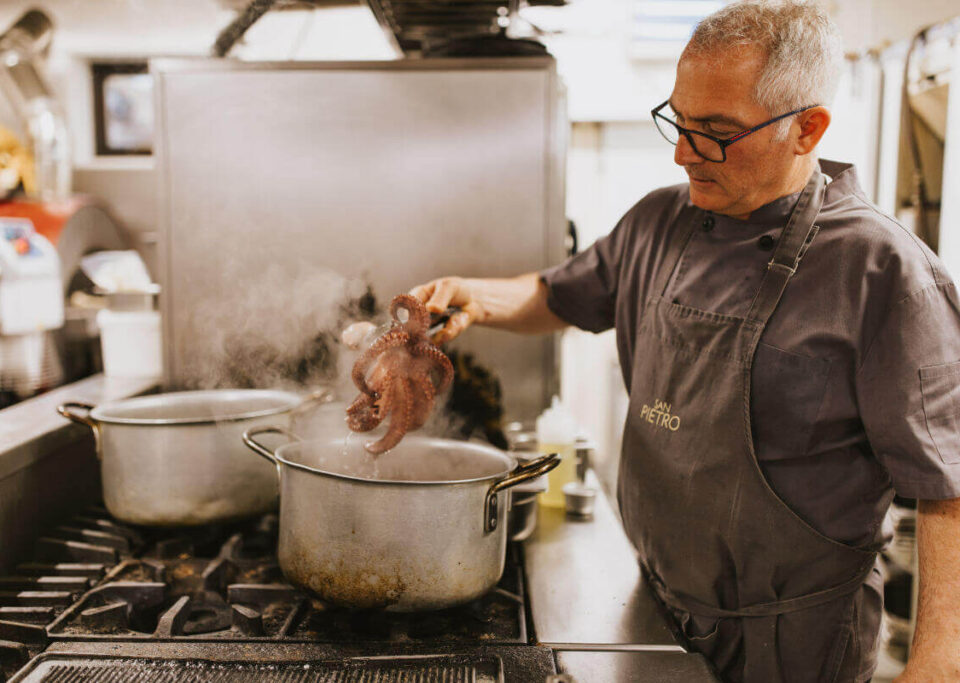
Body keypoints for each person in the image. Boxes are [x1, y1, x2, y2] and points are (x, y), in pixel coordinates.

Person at [409, 2, 960, 681]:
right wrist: (472, 294)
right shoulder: (661, 220)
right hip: (653, 603)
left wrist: (938, 660)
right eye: (677, 120)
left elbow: (948, 484)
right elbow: (559, 294)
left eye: (714, 133)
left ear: (806, 128)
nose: (680, 152)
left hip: (792, 645)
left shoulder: (883, 272)